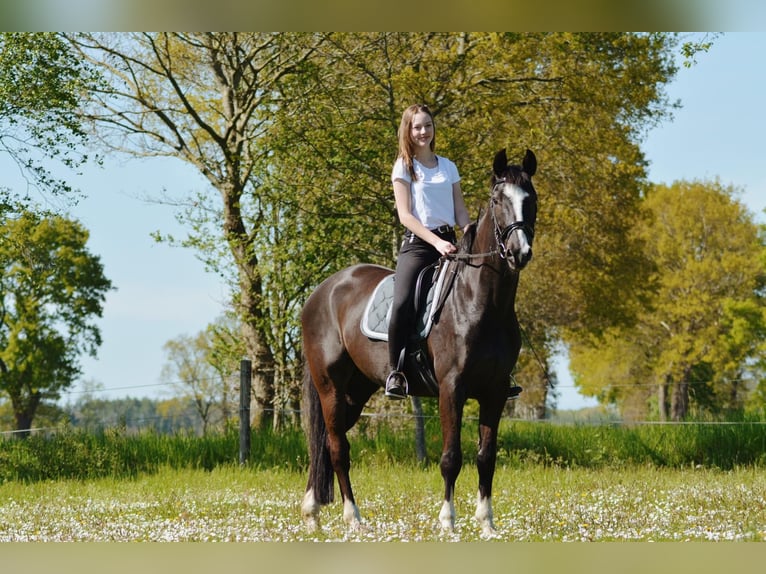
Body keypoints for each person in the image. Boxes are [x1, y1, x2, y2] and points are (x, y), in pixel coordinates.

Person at [385, 104, 472, 400]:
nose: (423, 132)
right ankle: (395, 370)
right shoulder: (404, 166)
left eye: (428, 125)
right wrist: (436, 243)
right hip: (420, 246)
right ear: (408, 131)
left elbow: (460, 210)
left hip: (451, 243)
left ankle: (497, 369)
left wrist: (470, 233)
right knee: (402, 302)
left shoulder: (448, 166)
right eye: (417, 127)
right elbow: (406, 216)